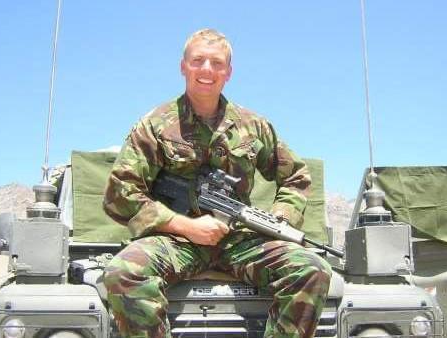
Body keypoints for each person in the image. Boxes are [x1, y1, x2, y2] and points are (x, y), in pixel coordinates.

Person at [102, 28, 332, 338]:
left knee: (312, 268)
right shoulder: (155, 125)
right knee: (123, 273)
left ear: (228, 72)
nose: (207, 70)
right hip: (176, 241)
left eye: (217, 63)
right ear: (184, 66)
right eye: (198, 61)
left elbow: (296, 177)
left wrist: (280, 217)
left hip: (238, 240)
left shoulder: (254, 126)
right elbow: (121, 192)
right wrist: (185, 226)